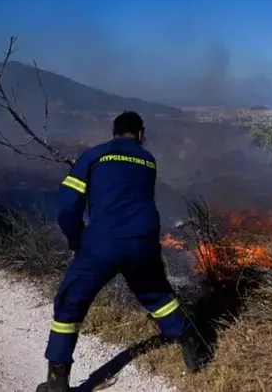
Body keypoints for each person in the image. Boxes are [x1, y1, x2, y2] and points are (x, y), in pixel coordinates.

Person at [36, 111, 210, 392]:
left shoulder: (93, 156)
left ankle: (57, 380)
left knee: (71, 302)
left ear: (114, 132)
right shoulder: (147, 160)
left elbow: (69, 207)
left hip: (102, 243)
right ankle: (193, 346)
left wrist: (75, 239)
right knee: (158, 295)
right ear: (140, 134)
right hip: (142, 240)